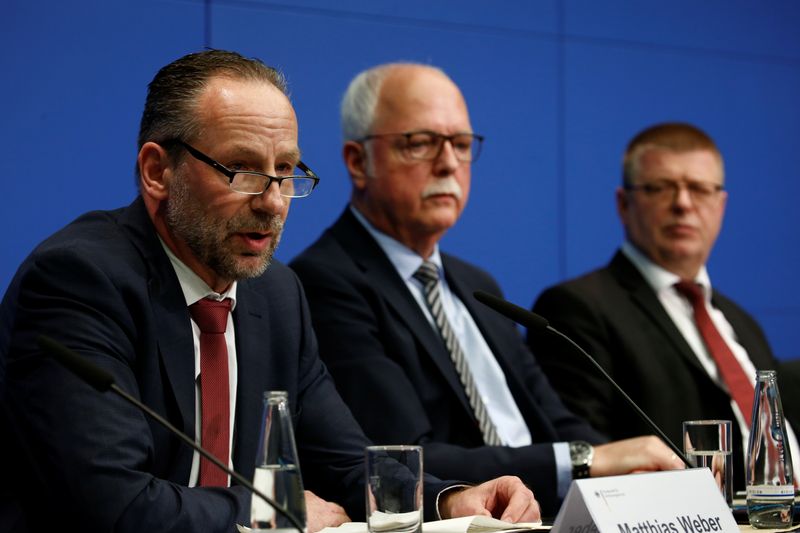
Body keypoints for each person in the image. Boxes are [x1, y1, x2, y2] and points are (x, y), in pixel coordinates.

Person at [0, 50, 540, 533]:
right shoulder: (79, 280)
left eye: (285, 171)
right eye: (241, 169)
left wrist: (451, 501)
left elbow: (348, 464)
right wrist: (271, 512)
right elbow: (112, 505)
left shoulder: (277, 294)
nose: (274, 202)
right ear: (157, 171)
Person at [289, 62, 684, 518]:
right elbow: (400, 456)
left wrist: (635, 472)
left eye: (460, 144)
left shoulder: (477, 285)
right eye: (420, 143)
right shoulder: (325, 281)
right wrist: (585, 461)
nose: (449, 163)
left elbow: (556, 422)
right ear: (359, 162)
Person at [529, 122, 800, 491]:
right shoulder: (576, 308)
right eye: (661, 188)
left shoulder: (740, 321)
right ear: (624, 204)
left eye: (700, 189)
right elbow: (587, 452)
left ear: (721, 207)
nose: (683, 204)